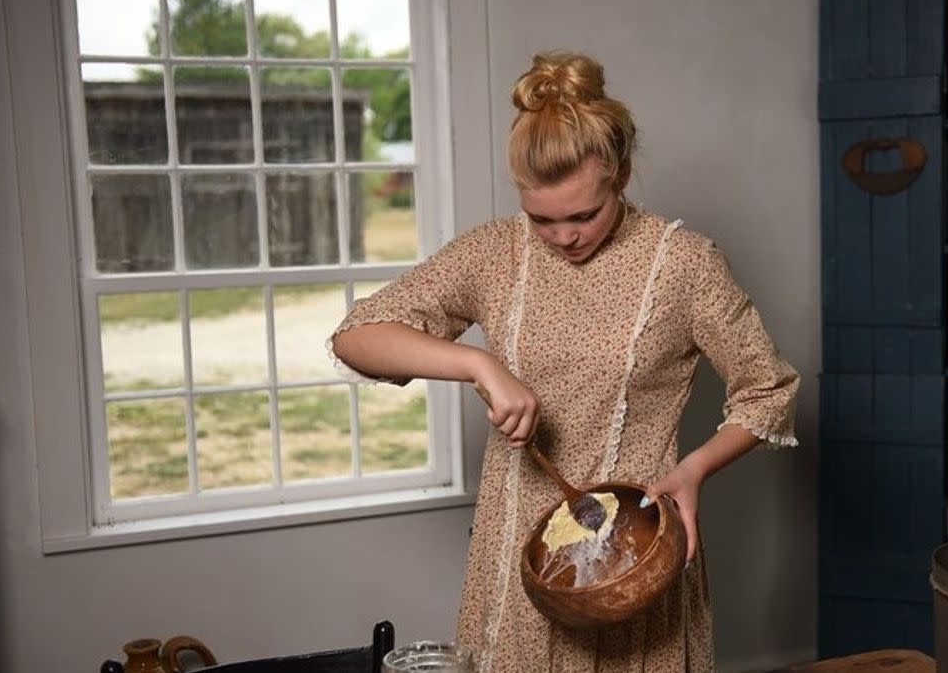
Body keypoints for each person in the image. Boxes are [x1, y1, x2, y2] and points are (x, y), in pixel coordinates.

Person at [330, 50, 799, 673]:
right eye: (542, 219)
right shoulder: (496, 252)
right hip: (515, 556)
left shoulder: (684, 262)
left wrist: (694, 471)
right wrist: (479, 365)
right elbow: (356, 336)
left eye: (583, 215)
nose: (564, 237)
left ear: (622, 174)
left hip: (637, 554)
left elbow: (768, 389)